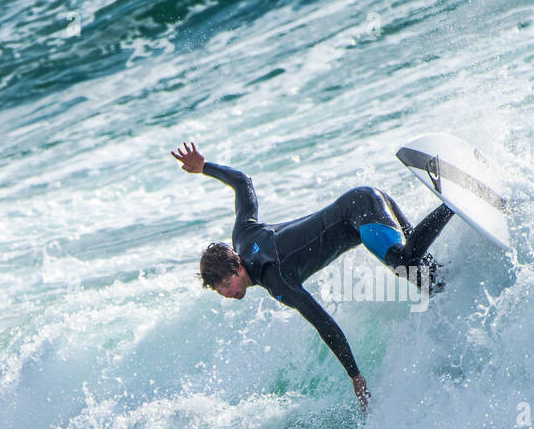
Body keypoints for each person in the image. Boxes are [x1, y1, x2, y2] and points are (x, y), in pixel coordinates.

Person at [172, 142, 454, 410]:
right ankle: (462, 258)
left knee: (404, 259)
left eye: (225, 284)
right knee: (429, 280)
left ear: (237, 268)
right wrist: (204, 166)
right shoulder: (243, 235)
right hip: (363, 200)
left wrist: (355, 376)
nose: (227, 293)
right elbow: (242, 182)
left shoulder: (278, 280)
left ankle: (451, 201)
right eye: (220, 290)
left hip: (361, 211)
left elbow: (324, 323)